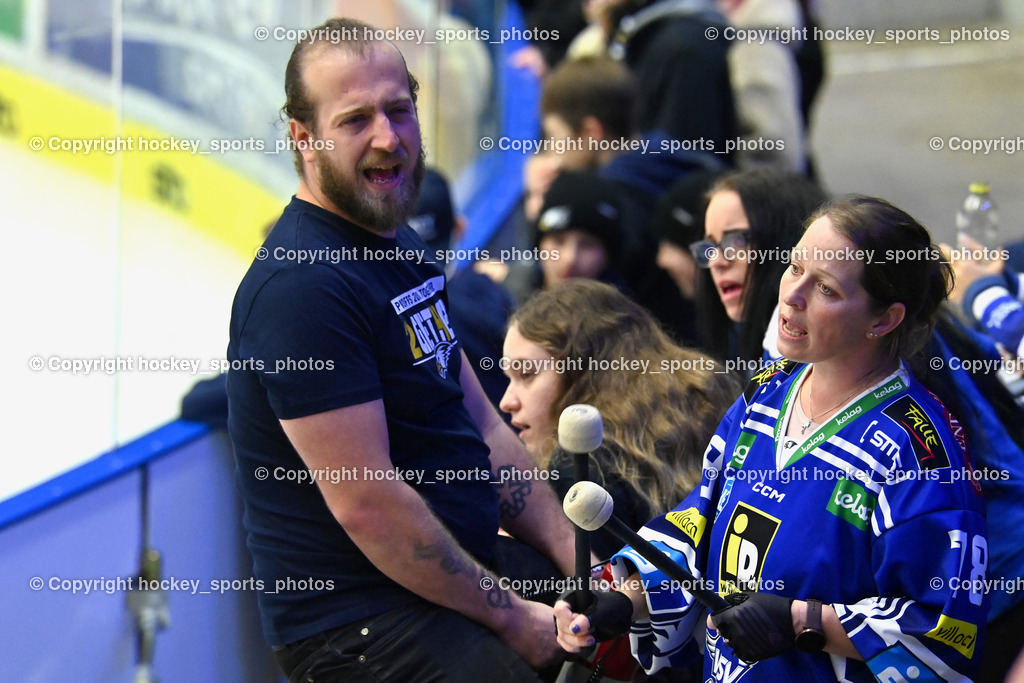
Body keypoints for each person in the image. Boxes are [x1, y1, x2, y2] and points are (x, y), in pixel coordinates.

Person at [226, 18, 575, 682]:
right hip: (360, 628)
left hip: (446, 580)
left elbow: (478, 421)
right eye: (356, 119)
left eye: (398, 109)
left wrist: (571, 551)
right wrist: (513, 617)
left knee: (641, 622)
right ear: (304, 138)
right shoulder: (303, 287)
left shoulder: (396, 241)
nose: (388, 138)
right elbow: (369, 503)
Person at [554, 196, 989, 682]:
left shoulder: (918, 450)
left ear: (883, 320)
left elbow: (946, 631)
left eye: (825, 287)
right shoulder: (768, 389)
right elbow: (703, 514)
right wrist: (625, 596)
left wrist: (803, 622)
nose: (792, 295)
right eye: (794, 267)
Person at [499, 279, 740, 560]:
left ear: (584, 370)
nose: (507, 401)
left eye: (526, 375)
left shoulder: (579, 467)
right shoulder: (710, 390)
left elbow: (595, 597)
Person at [692, 168, 827, 367]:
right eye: (710, 247)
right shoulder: (739, 340)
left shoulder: (824, 359)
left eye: (736, 240)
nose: (716, 262)